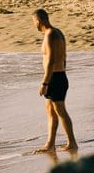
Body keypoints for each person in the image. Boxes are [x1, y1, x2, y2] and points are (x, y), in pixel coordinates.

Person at [32, 9, 78, 153]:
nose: (34, 25)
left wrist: (45, 83)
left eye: (34, 22)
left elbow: (51, 60)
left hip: (54, 77)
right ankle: (50, 143)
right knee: (51, 111)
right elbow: (64, 57)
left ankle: (72, 142)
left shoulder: (50, 35)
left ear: (39, 21)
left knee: (60, 110)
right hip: (60, 75)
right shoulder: (58, 32)